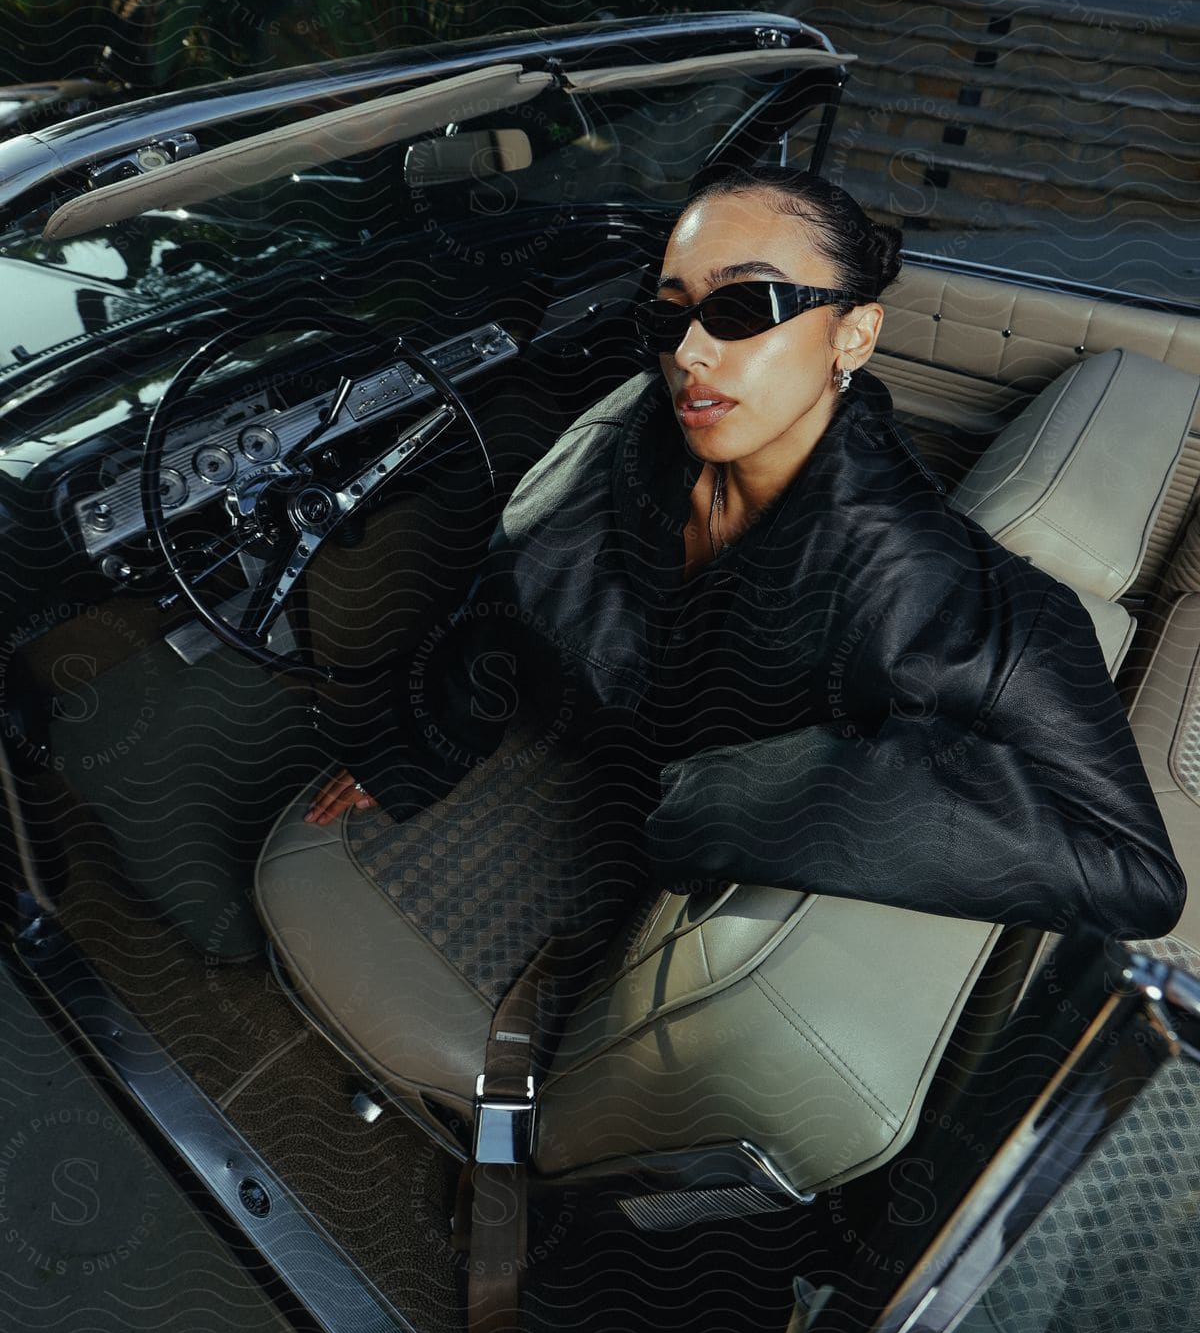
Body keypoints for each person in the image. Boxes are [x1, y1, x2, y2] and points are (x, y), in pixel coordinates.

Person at [301, 165, 1185, 945]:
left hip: (642, 855)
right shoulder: (633, 434)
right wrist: (428, 737)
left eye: (742, 307)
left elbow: (1137, 876)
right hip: (582, 764)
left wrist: (755, 798)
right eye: (672, 311)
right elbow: (515, 590)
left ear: (854, 335)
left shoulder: (958, 610)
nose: (688, 353)